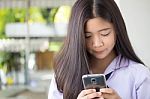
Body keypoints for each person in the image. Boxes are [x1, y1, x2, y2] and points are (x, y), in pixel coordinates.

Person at [48, 0, 150, 99]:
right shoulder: (63, 74)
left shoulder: (139, 75)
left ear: (117, 29)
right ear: (77, 38)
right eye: (87, 36)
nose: (97, 44)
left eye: (104, 33)